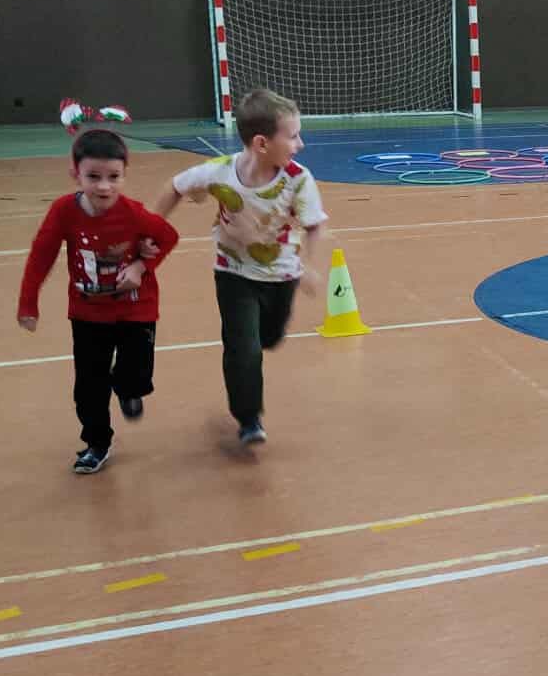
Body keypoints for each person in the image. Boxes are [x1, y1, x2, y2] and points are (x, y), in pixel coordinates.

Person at [155, 88, 329, 445]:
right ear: (262, 143)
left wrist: (309, 266)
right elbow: (174, 187)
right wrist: (149, 229)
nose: (300, 144)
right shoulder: (220, 172)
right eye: (293, 136)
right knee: (243, 348)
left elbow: (314, 226)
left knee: (270, 338)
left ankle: (257, 345)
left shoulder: (298, 179)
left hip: (282, 274)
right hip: (232, 271)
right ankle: (249, 418)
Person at [17, 125, 180, 475]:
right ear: (75, 173)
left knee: (135, 374)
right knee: (89, 387)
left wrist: (140, 265)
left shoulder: (134, 213)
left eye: (113, 177)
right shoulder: (63, 211)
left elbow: (168, 236)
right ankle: (97, 443)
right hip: (88, 312)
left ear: (124, 174)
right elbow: (41, 254)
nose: (104, 186)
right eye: (93, 176)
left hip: (136, 307)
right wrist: (28, 303)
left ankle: (128, 388)